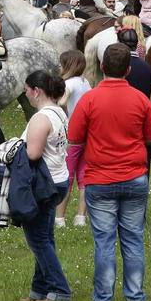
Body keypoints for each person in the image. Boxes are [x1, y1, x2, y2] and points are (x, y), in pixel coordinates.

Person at [66, 43, 151, 301]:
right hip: (134, 176)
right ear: (129, 69)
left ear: (101, 67)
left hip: (100, 178)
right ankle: (135, 298)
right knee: (133, 239)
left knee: (104, 242)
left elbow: (74, 137)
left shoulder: (89, 99)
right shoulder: (140, 99)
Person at [17, 70, 72, 301]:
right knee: (45, 237)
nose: (25, 94)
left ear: (36, 91)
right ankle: (39, 289)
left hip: (42, 183)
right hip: (59, 178)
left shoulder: (40, 118)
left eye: (27, 90)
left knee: (38, 240)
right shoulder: (60, 112)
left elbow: (32, 153)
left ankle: (60, 290)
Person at [56, 50, 90, 229]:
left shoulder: (68, 83)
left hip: (71, 135)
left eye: (61, 64)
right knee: (84, 176)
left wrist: (63, 111)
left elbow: (62, 102)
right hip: (87, 134)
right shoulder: (85, 82)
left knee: (66, 175)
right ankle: (80, 216)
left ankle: (60, 217)